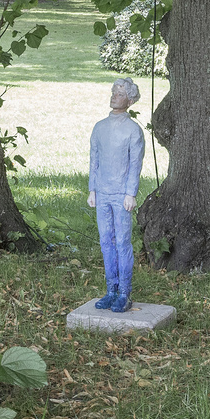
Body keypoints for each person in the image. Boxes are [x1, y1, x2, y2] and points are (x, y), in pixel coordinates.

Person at [88, 77, 146, 313]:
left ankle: (124, 292)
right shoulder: (99, 127)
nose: (115, 96)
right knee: (106, 242)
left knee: (122, 242)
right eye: (114, 92)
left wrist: (130, 193)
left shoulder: (133, 130)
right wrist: (92, 189)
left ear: (130, 100)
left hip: (121, 194)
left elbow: (135, 164)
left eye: (120, 94)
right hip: (102, 192)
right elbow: (94, 160)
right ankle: (110, 290)